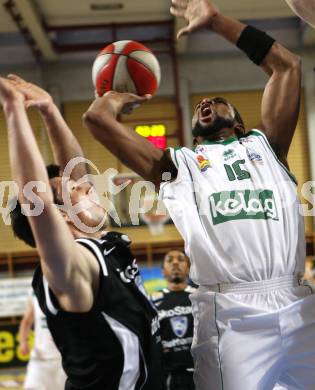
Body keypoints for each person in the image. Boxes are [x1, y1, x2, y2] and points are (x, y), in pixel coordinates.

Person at [82, 0, 315, 388]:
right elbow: (95, 119)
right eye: (200, 105)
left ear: (240, 125)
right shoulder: (179, 166)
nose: (205, 102)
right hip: (231, 315)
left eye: (217, 101)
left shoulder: (268, 145)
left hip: (298, 301)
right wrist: (115, 94)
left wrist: (216, 20)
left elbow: (286, 65)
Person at [0, 75, 162, 390]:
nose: (85, 185)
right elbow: (40, 204)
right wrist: (13, 109)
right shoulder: (74, 270)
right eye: (74, 190)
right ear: (61, 215)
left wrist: (49, 111)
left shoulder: (103, 243)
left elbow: (74, 167)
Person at [152, 250, 195, 390]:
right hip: (169, 377)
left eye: (181, 259)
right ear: (163, 271)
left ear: (188, 268)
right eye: (170, 260)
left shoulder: (201, 297)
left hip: (202, 372)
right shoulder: (152, 302)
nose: (175, 262)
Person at [19, 293, 66, 390]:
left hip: (63, 360)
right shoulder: (35, 293)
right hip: (39, 358)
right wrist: (23, 342)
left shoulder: (66, 292)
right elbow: (26, 321)